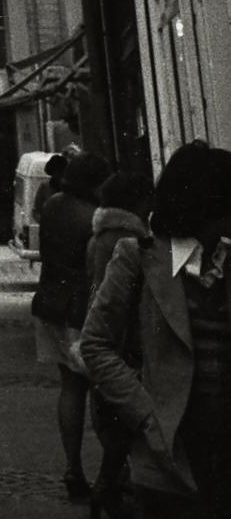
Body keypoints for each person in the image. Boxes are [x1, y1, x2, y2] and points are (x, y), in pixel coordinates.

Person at [80, 143, 231, 517]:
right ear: (209, 205)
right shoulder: (140, 257)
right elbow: (95, 343)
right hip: (170, 448)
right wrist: (147, 414)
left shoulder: (225, 260)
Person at [35, 150, 111, 502]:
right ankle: (109, 473)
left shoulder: (52, 206)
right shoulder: (94, 216)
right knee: (101, 390)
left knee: (69, 387)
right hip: (80, 310)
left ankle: (73, 467)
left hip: (50, 303)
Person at [84, 170, 155, 519]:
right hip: (123, 348)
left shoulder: (100, 236)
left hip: (108, 343)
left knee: (116, 442)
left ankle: (104, 495)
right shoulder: (129, 240)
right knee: (124, 440)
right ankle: (107, 496)